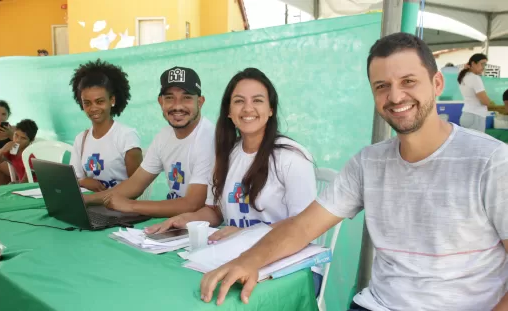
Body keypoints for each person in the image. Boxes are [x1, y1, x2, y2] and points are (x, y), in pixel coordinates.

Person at [199, 33, 508, 311]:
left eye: (409, 82)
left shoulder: (491, 160)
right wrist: (248, 261)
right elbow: (302, 227)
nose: (396, 96)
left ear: (437, 83)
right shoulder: (368, 163)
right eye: (382, 86)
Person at [145, 67, 316, 240]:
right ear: (229, 111)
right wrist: (184, 219)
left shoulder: (293, 158)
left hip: (281, 255)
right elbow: (215, 211)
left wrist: (246, 234)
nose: (248, 109)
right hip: (233, 251)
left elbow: (306, 222)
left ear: (271, 109)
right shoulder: (226, 154)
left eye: (257, 100)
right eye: (239, 101)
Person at [84, 66, 215, 218]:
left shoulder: (209, 138)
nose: (177, 106)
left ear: (200, 102)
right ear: (161, 102)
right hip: (175, 223)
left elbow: (192, 204)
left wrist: (131, 205)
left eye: (186, 98)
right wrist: (86, 200)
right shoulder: (164, 136)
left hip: (202, 229)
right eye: (169, 98)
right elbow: (135, 184)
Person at [69, 59, 143, 192]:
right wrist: (84, 181)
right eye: (87, 103)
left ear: (112, 100)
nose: (93, 108)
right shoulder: (81, 139)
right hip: (90, 207)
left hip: (119, 210)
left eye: (100, 101)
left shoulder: (126, 136)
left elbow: (136, 187)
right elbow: (74, 179)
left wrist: (101, 199)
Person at [0, 119, 39, 184]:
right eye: (16, 135)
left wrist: (15, 185)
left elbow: (27, 181)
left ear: (31, 140)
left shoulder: (31, 155)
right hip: (23, 185)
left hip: (35, 188)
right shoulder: (13, 149)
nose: (18, 140)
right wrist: (2, 150)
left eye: (23, 138)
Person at [458, 53, 494, 132]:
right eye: (482, 64)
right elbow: (485, 101)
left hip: (466, 114)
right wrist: (489, 102)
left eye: (485, 65)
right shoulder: (475, 78)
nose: (483, 67)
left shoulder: (463, 76)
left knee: (467, 143)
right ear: (473, 64)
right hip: (476, 116)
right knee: (478, 144)